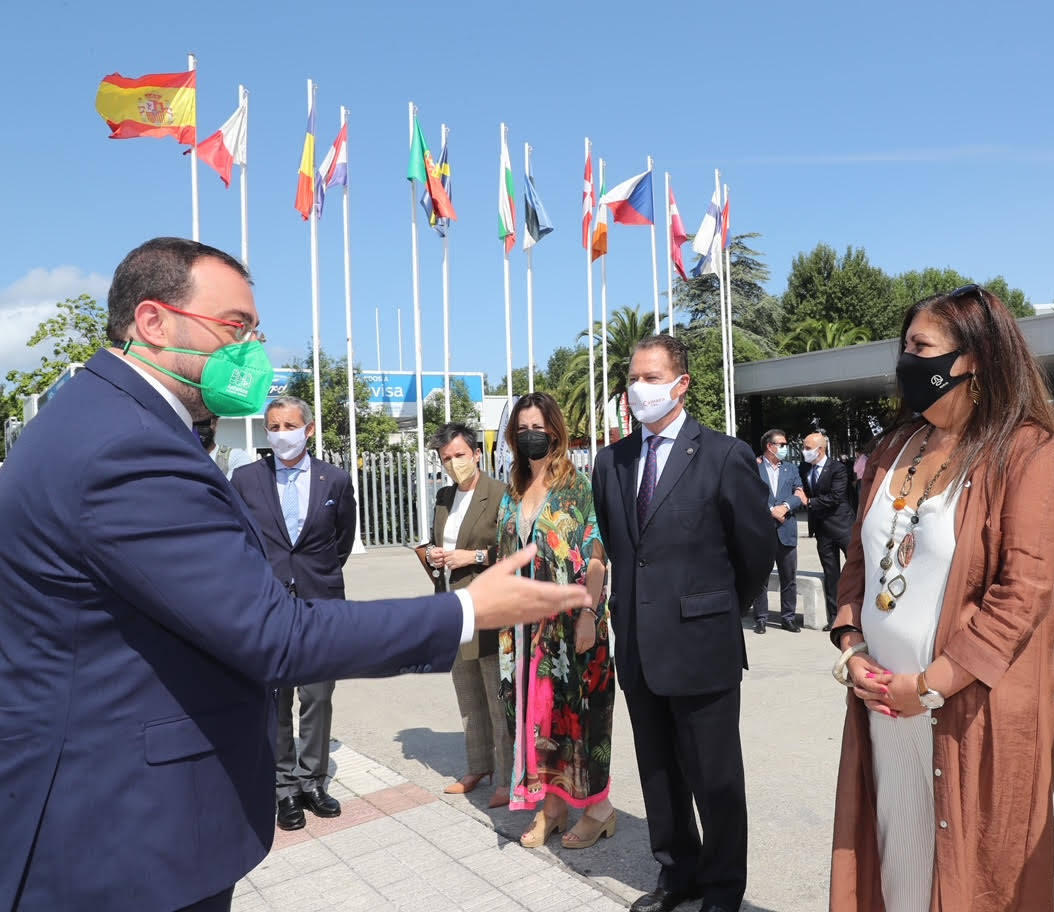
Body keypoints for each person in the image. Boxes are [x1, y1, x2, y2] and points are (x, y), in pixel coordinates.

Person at [0, 237, 591, 912]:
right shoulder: (125, 446)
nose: (252, 351)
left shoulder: (99, 418)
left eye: (255, 331)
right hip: (120, 835)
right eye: (234, 328)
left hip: (119, 814)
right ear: (154, 322)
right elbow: (272, 634)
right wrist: (466, 610)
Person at [828, 285, 1054, 912]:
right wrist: (851, 645)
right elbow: (859, 560)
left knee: (974, 877)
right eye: (904, 346)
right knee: (898, 859)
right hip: (883, 703)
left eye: (922, 347)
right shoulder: (893, 446)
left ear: (976, 359)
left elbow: (1022, 594)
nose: (907, 361)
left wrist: (931, 685)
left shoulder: (1027, 450)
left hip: (970, 713)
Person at [592, 334, 773, 912]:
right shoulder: (612, 460)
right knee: (659, 772)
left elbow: (755, 551)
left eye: (651, 378)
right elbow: (625, 549)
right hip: (640, 648)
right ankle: (679, 874)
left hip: (701, 644)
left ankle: (722, 890)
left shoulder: (723, 455)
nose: (638, 390)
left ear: (681, 383)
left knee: (715, 780)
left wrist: (715, 608)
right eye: (633, 379)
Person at [496, 392, 616, 850]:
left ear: (555, 431)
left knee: (579, 721)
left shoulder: (577, 485)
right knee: (536, 720)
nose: (532, 434)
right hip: (524, 631)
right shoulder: (510, 490)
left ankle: (600, 810)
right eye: (523, 427)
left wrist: (589, 612)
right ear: (513, 435)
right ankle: (552, 807)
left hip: (571, 627)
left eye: (539, 427)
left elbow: (596, 553)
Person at [231, 396, 355, 830]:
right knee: (278, 699)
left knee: (318, 696)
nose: (281, 433)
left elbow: (341, 542)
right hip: (269, 606)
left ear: (309, 428)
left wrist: (312, 577)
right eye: (274, 426)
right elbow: (238, 539)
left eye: (289, 425)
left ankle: (313, 780)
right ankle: (283, 787)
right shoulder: (245, 479)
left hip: (320, 605)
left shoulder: (334, 480)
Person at [415, 422, 513, 808]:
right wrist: (436, 554)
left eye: (460, 455)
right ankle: (478, 766)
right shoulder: (443, 497)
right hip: (452, 607)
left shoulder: (502, 494)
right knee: (468, 694)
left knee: (495, 696)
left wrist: (471, 556)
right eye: (446, 459)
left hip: (489, 606)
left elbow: (512, 550)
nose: (454, 464)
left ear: (476, 454)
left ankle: (506, 777)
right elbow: (440, 541)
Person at [801, 431, 855, 632]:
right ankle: (834, 618)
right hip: (822, 530)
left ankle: (857, 615)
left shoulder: (837, 468)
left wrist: (809, 502)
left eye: (807, 448)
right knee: (830, 574)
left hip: (842, 526)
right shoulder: (805, 468)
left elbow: (836, 496)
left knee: (855, 570)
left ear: (820, 449)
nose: (804, 452)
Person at [751, 428, 803, 634]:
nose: (785, 448)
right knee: (760, 577)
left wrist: (786, 507)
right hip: (762, 531)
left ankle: (788, 618)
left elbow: (799, 493)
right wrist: (772, 510)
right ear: (769, 446)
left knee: (789, 577)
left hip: (786, 529)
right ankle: (761, 618)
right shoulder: (754, 467)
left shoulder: (790, 469)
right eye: (781, 444)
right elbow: (749, 494)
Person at [194, 414, 253, 479]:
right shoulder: (182, 459)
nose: (196, 428)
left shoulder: (235, 457)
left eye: (203, 423)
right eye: (192, 423)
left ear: (215, 423)